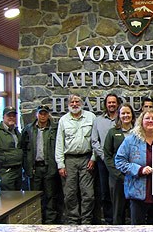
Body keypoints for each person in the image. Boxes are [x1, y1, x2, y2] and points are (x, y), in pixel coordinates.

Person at [115, 108, 153, 225]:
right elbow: (119, 161)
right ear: (141, 121)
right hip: (137, 194)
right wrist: (139, 169)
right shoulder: (131, 140)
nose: (150, 121)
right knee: (137, 227)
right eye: (147, 118)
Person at [55, 94, 96, 225]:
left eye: (77, 101)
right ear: (68, 104)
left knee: (88, 194)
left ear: (82, 103)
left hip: (87, 159)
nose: (74, 104)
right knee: (69, 194)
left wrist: (94, 158)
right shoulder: (63, 120)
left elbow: (96, 140)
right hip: (69, 161)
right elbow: (59, 143)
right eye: (72, 102)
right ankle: (73, 221)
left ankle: (86, 221)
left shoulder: (91, 117)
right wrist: (60, 164)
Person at [20, 105, 61, 224]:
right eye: (40, 113)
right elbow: (22, 148)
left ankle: (50, 223)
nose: (43, 116)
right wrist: (26, 166)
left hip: (49, 168)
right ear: (36, 114)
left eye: (45, 113)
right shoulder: (28, 129)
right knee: (34, 197)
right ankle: (36, 221)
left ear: (48, 115)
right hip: (34, 169)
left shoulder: (54, 129)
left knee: (51, 197)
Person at [91, 93, 121, 224]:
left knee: (121, 191)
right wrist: (104, 157)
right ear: (106, 104)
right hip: (103, 163)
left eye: (114, 102)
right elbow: (94, 141)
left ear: (118, 104)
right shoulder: (98, 120)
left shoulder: (123, 118)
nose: (111, 104)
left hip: (121, 162)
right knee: (105, 192)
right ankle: (110, 221)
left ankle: (120, 220)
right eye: (109, 102)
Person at [104, 104, 136, 225]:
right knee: (118, 210)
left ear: (132, 115)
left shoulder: (138, 132)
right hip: (117, 178)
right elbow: (107, 156)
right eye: (123, 113)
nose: (126, 115)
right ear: (119, 115)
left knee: (135, 209)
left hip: (135, 176)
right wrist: (118, 174)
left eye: (128, 113)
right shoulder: (113, 132)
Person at [0, 106, 22, 190]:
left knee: (18, 199)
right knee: (8, 199)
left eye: (13, 116)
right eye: (9, 115)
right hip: (5, 171)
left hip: (18, 170)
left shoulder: (16, 131)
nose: (11, 118)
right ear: (3, 117)